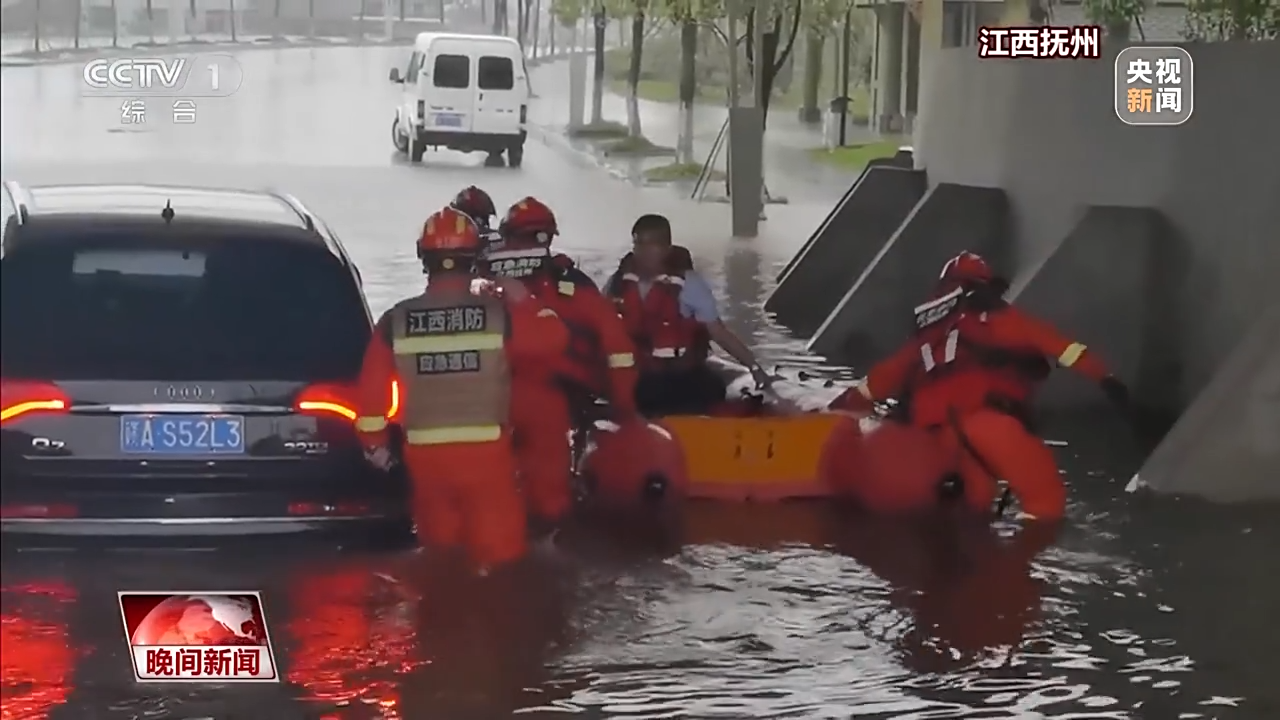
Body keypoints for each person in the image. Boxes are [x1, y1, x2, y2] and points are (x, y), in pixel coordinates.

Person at [828, 250, 1131, 520]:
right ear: (985, 285)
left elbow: (882, 378)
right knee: (1046, 506)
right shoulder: (997, 318)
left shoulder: (927, 333)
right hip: (989, 424)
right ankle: (1015, 573)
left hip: (939, 438)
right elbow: (1062, 347)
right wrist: (1105, 377)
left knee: (971, 515)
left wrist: (842, 404)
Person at [353, 207, 568, 571]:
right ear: (473, 259)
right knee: (502, 563)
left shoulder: (396, 320)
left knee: (441, 558)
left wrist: (376, 449)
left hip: (424, 460)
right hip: (487, 458)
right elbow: (554, 340)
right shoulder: (499, 316)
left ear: (424, 259)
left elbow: (371, 401)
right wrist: (523, 298)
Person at [485, 196, 642, 527]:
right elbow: (619, 350)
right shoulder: (576, 285)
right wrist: (624, 407)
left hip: (492, 403)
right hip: (557, 402)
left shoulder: (485, 285)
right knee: (550, 498)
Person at [607, 213, 771, 417]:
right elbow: (596, 329)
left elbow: (718, 332)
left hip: (679, 377)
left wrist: (754, 367)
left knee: (711, 388)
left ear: (667, 249)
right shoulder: (616, 285)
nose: (644, 251)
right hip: (636, 377)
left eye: (653, 244)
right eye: (639, 243)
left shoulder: (690, 285)